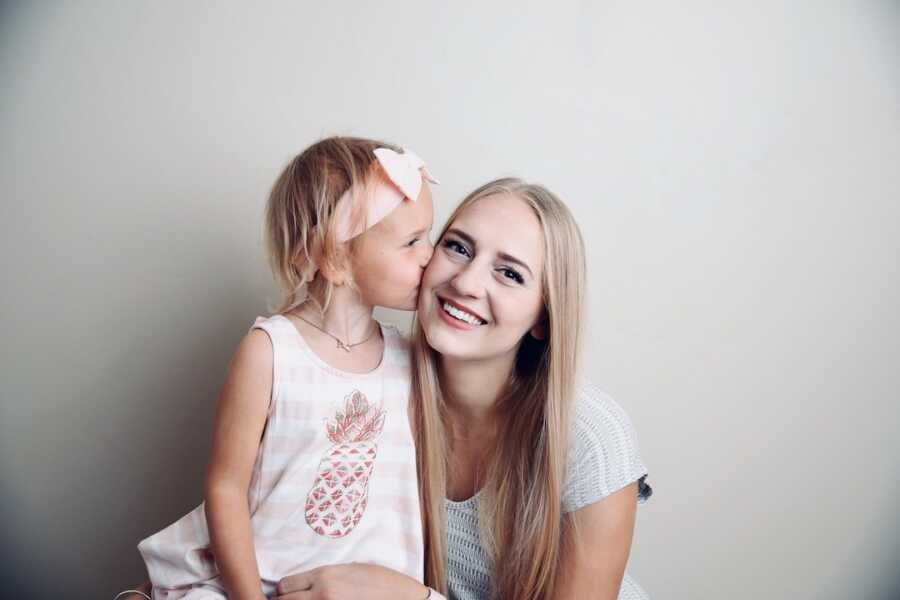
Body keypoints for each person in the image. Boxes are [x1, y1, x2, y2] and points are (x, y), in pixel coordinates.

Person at [274, 179, 652, 600]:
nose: (467, 283)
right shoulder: (372, 389)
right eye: (458, 247)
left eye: (510, 274)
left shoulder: (590, 437)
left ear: (543, 319)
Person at [118, 136, 438, 600]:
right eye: (412, 242)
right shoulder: (270, 352)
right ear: (335, 257)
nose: (431, 255)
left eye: (428, 235)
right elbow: (225, 489)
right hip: (252, 582)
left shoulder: (408, 359)